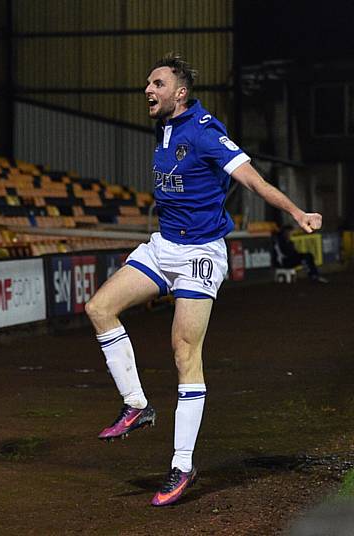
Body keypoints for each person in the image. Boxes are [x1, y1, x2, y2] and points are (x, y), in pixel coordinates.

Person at [84, 52, 323, 507]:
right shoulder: (166, 126)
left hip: (200, 253)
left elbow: (251, 180)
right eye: (147, 84)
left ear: (180, 92)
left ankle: (182, 464)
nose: (148, 90)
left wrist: (296, 212)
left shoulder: (206, 130)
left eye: (157, 83)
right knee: (99, 308)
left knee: (183, 352)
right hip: (164, 246)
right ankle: (136, 406)